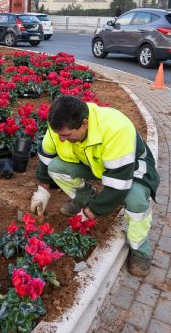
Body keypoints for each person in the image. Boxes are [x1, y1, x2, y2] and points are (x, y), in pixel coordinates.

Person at [31, 95, 159, 277]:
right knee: (56, 168)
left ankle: (140, 251)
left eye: (66, 136)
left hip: (132, 169)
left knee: (136, 201)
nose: (61, 140)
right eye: (58, 135)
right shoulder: (60, 127)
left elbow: (118, 185)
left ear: (84, 124)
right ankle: (86, 198)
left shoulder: (116, 129)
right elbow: (46, 158)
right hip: (95, 164)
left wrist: (89, 213)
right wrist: (43, 189)